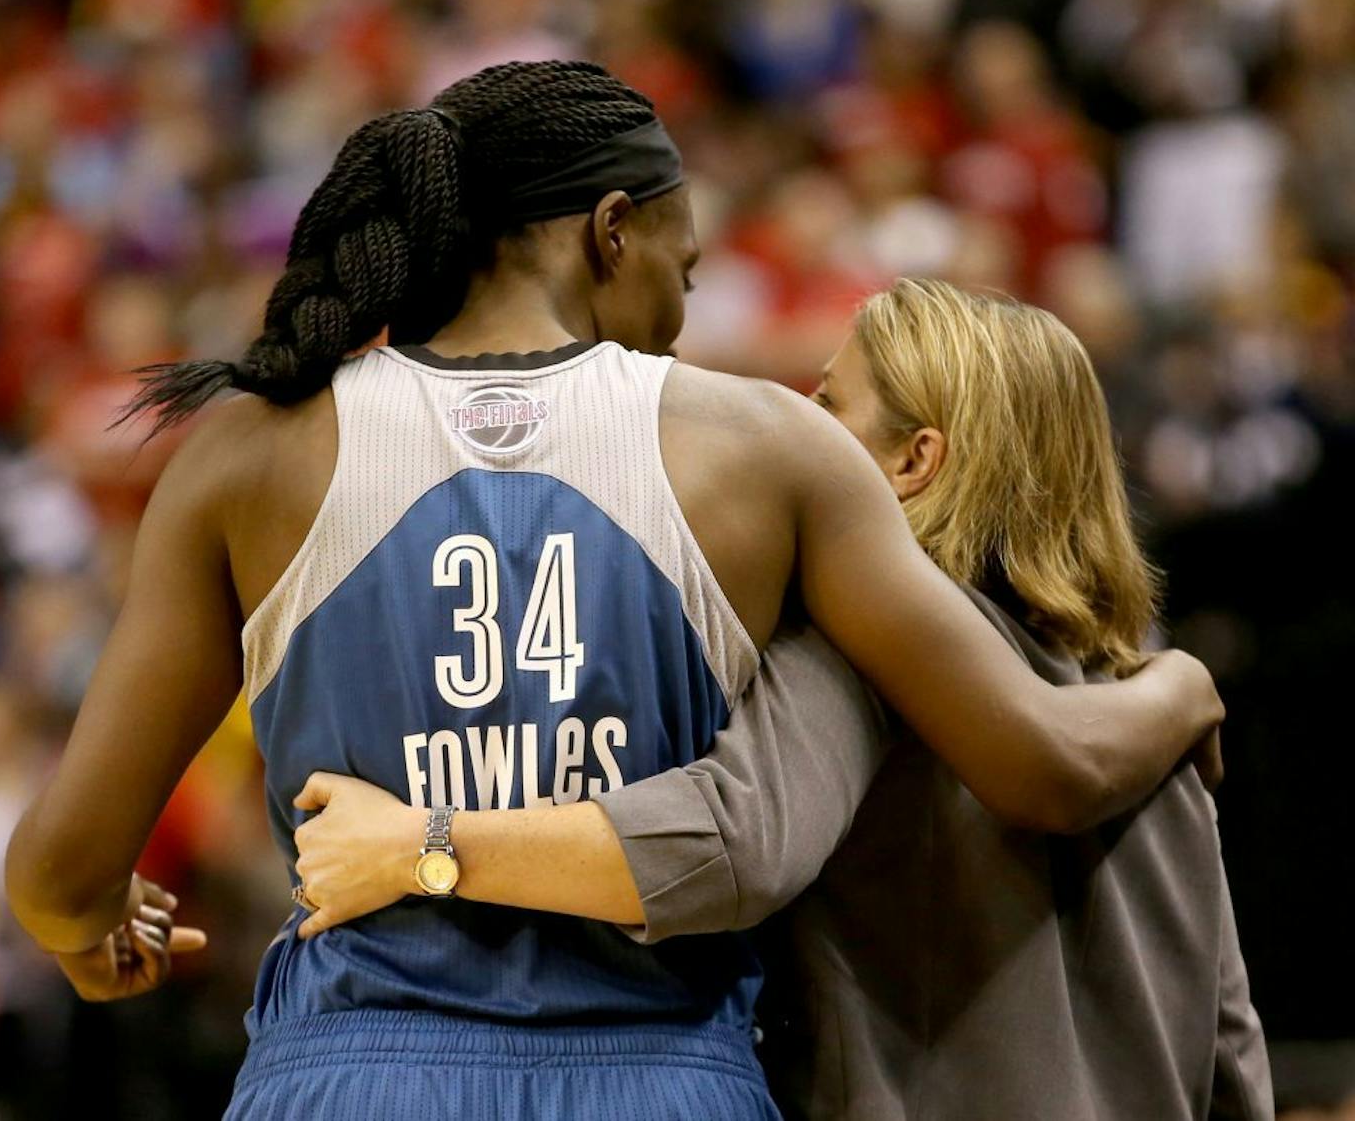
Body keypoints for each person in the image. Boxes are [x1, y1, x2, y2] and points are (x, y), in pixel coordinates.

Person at [3, 62, 1223, 1121]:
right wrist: (1181, 685)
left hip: (345, 1070)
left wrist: (96, 933)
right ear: (609, 231)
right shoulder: (765, 448)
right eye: (682, 272)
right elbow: (1046, 768)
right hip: (660, 1074)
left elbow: (57, 869)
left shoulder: (247, 453)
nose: (682, 315)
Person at [295, 279, 1271, 1120]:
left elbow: (724, 847)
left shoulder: (864, 658)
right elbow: (1228, 1043)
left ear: (911, 462)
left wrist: (418, 850)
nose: (789, 435)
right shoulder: (1150, 701)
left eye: (823, 406)